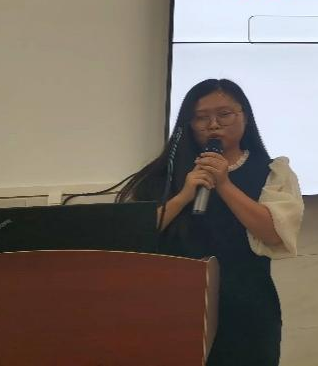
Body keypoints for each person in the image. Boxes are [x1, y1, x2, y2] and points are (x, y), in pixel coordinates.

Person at [117, 78, 303, 365]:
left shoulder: (272, 172)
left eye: (224, 114)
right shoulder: (164, 173)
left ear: (245, 116)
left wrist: (224, 184)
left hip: (246, 310)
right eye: (201, 117)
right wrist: (183, 196)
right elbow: (132, 237)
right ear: (188, 124)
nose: (213, 125)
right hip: (172, 308)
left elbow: (274, 233)